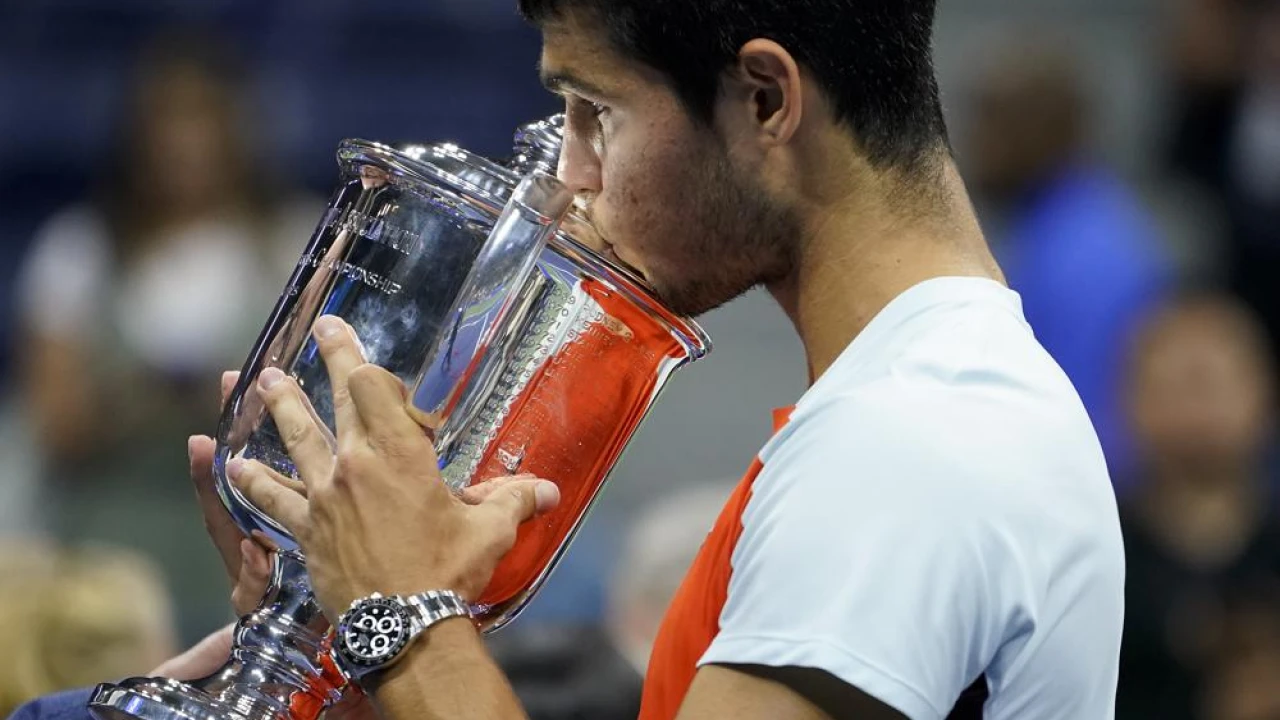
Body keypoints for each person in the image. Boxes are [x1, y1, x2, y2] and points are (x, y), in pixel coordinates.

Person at [10, 1, 1125, 719]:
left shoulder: (911, 445)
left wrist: (398, 608)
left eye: (594, 113)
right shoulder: (913, 406)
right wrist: (336, 636)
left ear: (764, 100)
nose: (572, 175)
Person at [966, 41, 1171, 481]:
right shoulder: (1054, 231)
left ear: (1043, 128)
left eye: (994, 121)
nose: (975, 145)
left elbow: (1086, 430)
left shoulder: (1084, 254)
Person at [1115, 292, 1280, 720]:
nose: (1196, 408)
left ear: (1265, 396)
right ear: (1128, 401)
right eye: (1173, 384)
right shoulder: (1092, 563)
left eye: (1211, 381)